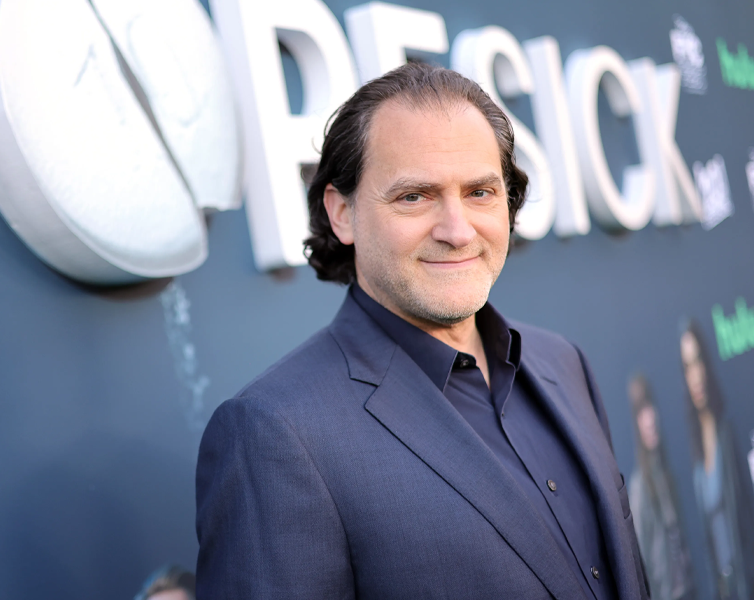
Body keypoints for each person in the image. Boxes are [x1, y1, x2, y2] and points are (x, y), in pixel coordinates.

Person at [196, 62, 649, 599]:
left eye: (480, 192)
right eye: (414, 196)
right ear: (342, 213)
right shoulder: (275, 435)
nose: (457, 231)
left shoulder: (562, 363)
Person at [680, 320, 754, 599]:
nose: (696, 375)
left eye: (698, 361)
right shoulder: (695, 448)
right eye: (687, 366)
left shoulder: (728, 431)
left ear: (707, 365)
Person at [627, 373, 695, 599]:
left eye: (650, 407)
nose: (650, 419)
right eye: (641, 411)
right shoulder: (639, 488)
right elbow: (643, 564)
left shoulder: (668, 473)